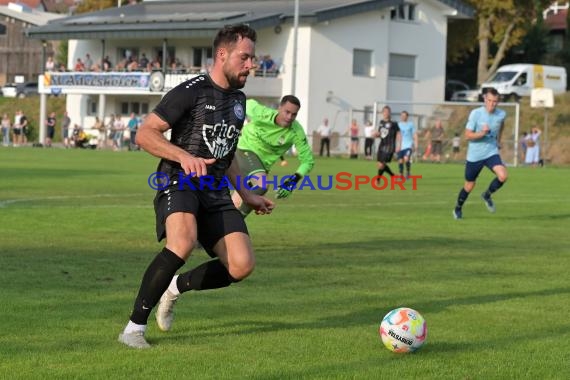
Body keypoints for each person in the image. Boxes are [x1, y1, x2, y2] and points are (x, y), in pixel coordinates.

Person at [118, 24, 274, 349]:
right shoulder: (190, 91)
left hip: (215, 190)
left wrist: (246, 194)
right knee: (183, 243)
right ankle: (133, 329)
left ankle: (174, 288)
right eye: (245, 58)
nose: (251, 65)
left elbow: (226, 153)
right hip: (179, 180)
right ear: (222, 54)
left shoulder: (239, 101)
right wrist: (182, 156)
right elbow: (145, 133)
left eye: (252, 58)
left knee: (241, 265)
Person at [231, 95, 315, 217]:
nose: (289, 117)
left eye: (294, 114)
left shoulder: (296, 132)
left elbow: (308, 161)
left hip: (260, 166)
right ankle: (235, 222)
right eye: (287, 112)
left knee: (235, 203)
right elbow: (243, 103)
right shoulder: (262, 113)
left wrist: (292, 182)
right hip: (243, 150)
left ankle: (222, 227)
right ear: (279, 108)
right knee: (262, 184)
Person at [453, 87, 507, 220]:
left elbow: (502, 124)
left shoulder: (501, 114)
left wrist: (498, 140)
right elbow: (467, 135)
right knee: (469, 185)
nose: (492, 104)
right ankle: (458, 208)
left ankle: (487, 195)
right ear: (484, 99)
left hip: (491, 152)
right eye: (489, 100)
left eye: (495, 101)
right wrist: (482, 133)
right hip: (475, 155)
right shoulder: (476, 114)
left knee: (503, 176)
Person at [374, 105, 400, 181]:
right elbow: (381, 134)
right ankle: (393, 176)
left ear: (390, 113)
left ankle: (378, 179)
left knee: (382, 164)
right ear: (382, 113)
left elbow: (398, 134)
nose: (386, 113)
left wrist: (399, 145)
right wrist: (376, 134)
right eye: (385, 112)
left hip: (390, 147)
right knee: (380, 165)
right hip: (382, 146)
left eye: (388, 112)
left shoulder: (394, 123)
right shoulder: (381, 122)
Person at [397, 111, 417, 178]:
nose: (403, 117)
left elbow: (414, 135)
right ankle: (401, 174)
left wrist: (415, 145)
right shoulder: (398, 125)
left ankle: (408, 172)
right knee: (400, 160)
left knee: (406, 158)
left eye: (405, 116)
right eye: (402, 115)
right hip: (401, 146)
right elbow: (398, 135)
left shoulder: (410, 124)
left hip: (409, 145)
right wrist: (397, 145)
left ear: (407, 117)